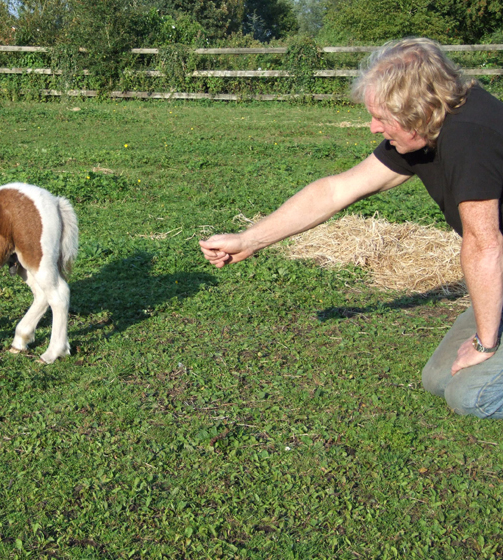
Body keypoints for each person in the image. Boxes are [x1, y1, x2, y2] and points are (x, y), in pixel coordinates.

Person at [199, 37, 503, 418]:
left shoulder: (470, 137)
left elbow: (484, 244)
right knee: (438, 380)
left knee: (470, 396)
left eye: (382, 117)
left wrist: (486, 343)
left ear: (417, 110)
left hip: (496, 263)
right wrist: (249, 239)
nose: (374, 127)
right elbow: (337, 189)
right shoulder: (427, 127)